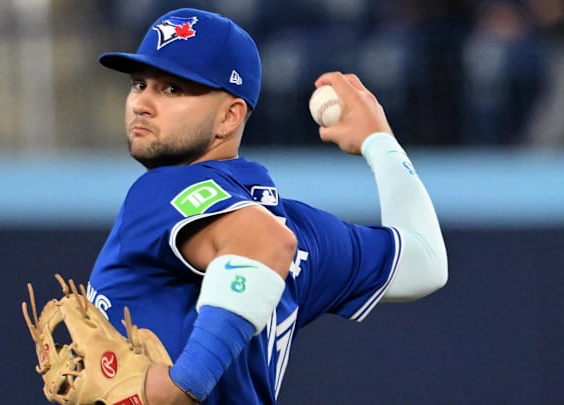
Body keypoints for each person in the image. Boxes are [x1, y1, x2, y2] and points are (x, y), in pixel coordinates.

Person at [88, 7, 448, 404]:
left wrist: (184, 384)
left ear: (230, 116)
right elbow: (425, 262)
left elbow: (265, 241)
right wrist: (380, 143)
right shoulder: (303, 230)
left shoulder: (162, 191)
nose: (142, 103)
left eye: (172, 89)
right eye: (140, 84)